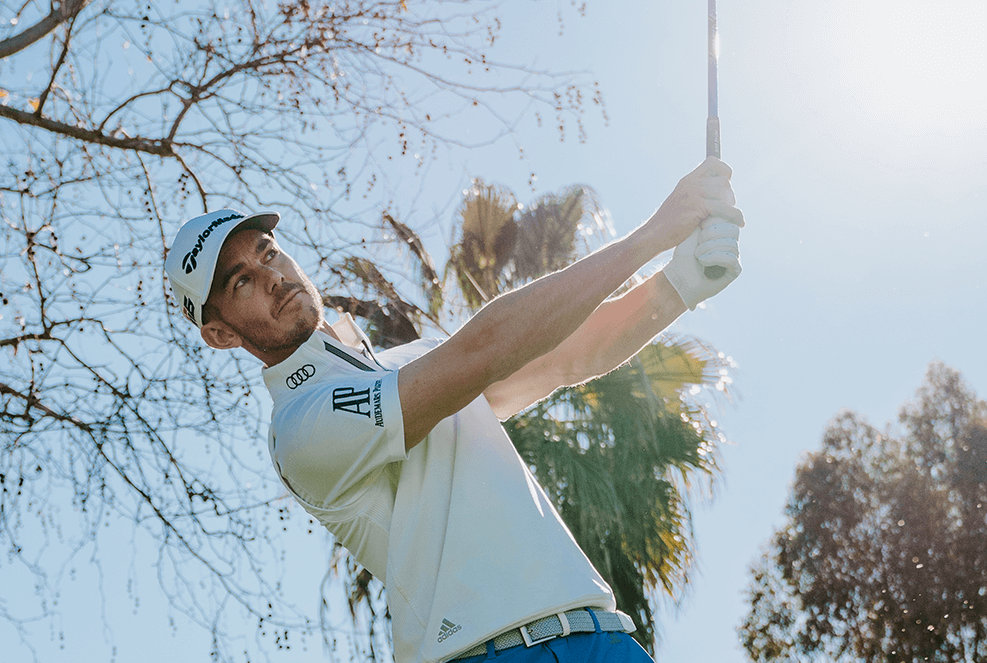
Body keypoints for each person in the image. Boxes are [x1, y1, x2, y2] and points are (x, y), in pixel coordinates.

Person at [164, 157, 743, 663]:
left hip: (601, 637)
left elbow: (566, 356)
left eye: (268, 253)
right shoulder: (300, 428)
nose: (272, 277)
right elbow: (487, 348)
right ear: (218, 334)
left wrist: (681, 281)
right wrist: (651, 236)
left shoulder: (408, 362)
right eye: (241, 280)